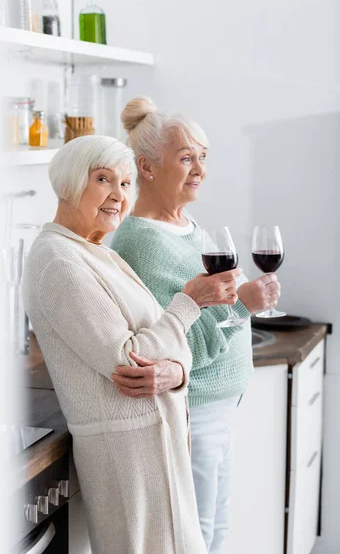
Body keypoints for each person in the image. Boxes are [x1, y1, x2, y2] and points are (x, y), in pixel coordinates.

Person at [22, 135, 241, 554]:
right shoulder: (58, 262)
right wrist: (190, 302)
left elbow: (161, 340)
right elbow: (128, 359)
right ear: (68, 185)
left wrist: (176, 372)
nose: (118, 196)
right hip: (128, 458)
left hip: (153, 447)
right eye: (103, 179)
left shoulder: (94, 251)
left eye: (124, 184)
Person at [111, 97, 281, 554]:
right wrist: (242, 306)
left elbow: (211, 303)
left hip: (220, 404)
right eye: (187, 158)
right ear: (147, 167)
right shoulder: (141, 242)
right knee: (196, 537)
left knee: (216, 530)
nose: (200, 169)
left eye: (203, 157)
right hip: (194, 410)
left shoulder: (184, 225)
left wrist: (238, 302)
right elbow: (170, 344)